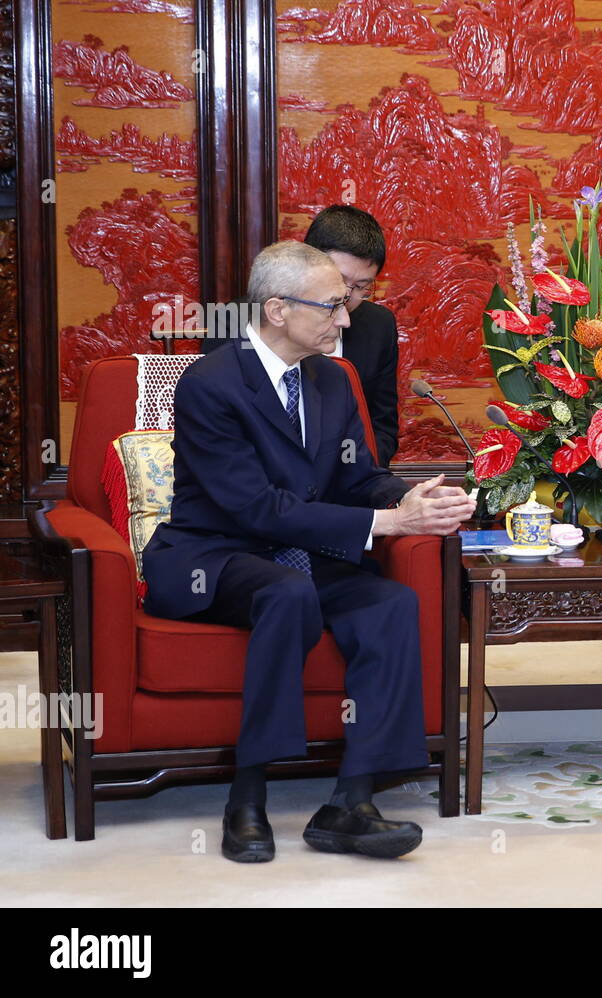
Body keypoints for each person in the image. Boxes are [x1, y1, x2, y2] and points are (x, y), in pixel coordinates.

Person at [144, 240, 476, 863]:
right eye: (331, 306)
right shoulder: (211, 383)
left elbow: (357, 478)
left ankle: (350, 802)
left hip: (304, 554)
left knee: (390, 604)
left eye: (346, 305)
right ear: (276, 309)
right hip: (213, 556)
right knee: (286, 591)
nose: (346, 319)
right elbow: (255, 509)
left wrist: (414, 501)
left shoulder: (330, 379)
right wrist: (386, 521)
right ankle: (246, 797)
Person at [203, 205, 401, 466]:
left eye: (362, 287)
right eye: (339, 280)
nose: (347, 296)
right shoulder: (234, 320)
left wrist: (357, 473)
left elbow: (381, 427)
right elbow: (221, 421)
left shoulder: (379, 325)